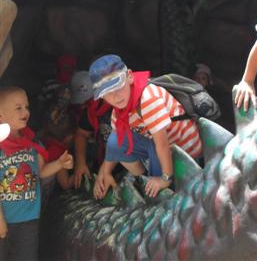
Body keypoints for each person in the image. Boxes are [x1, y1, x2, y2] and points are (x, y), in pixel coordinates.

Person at [89, 55, 203, 199]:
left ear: (129, 77)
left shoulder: (147, 98)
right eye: (107, 93)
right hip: (159, 147)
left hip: (185, 151)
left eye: (118, 86)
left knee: (156, 151)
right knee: (114, 140)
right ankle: (145, 180)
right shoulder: (118, 113)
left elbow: (162, 144)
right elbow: (116, 143)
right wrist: (105, 172)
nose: (115, 96)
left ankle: (161, 187)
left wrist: (165, 179)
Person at [0, 87, 73, 259]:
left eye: (26, 107)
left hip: (28, 219)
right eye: (18, 108)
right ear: (1, 116)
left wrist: (59, 164)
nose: (25, 112)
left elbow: (40, 172)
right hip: (4, 218)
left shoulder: (32, 143)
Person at [68, 71, 112, 189]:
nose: (85, 104)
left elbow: (123, 144)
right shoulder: (90, 110)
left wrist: (106, 170)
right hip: (104, 161)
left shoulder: (119, 103)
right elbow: (81, 134)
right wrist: (80, 163)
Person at [193, 63, 235, 134]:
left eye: (203, 78)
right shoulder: (187, 93)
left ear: (208, 82)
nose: (199, 81)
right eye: (196, 78)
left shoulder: (214, 95)